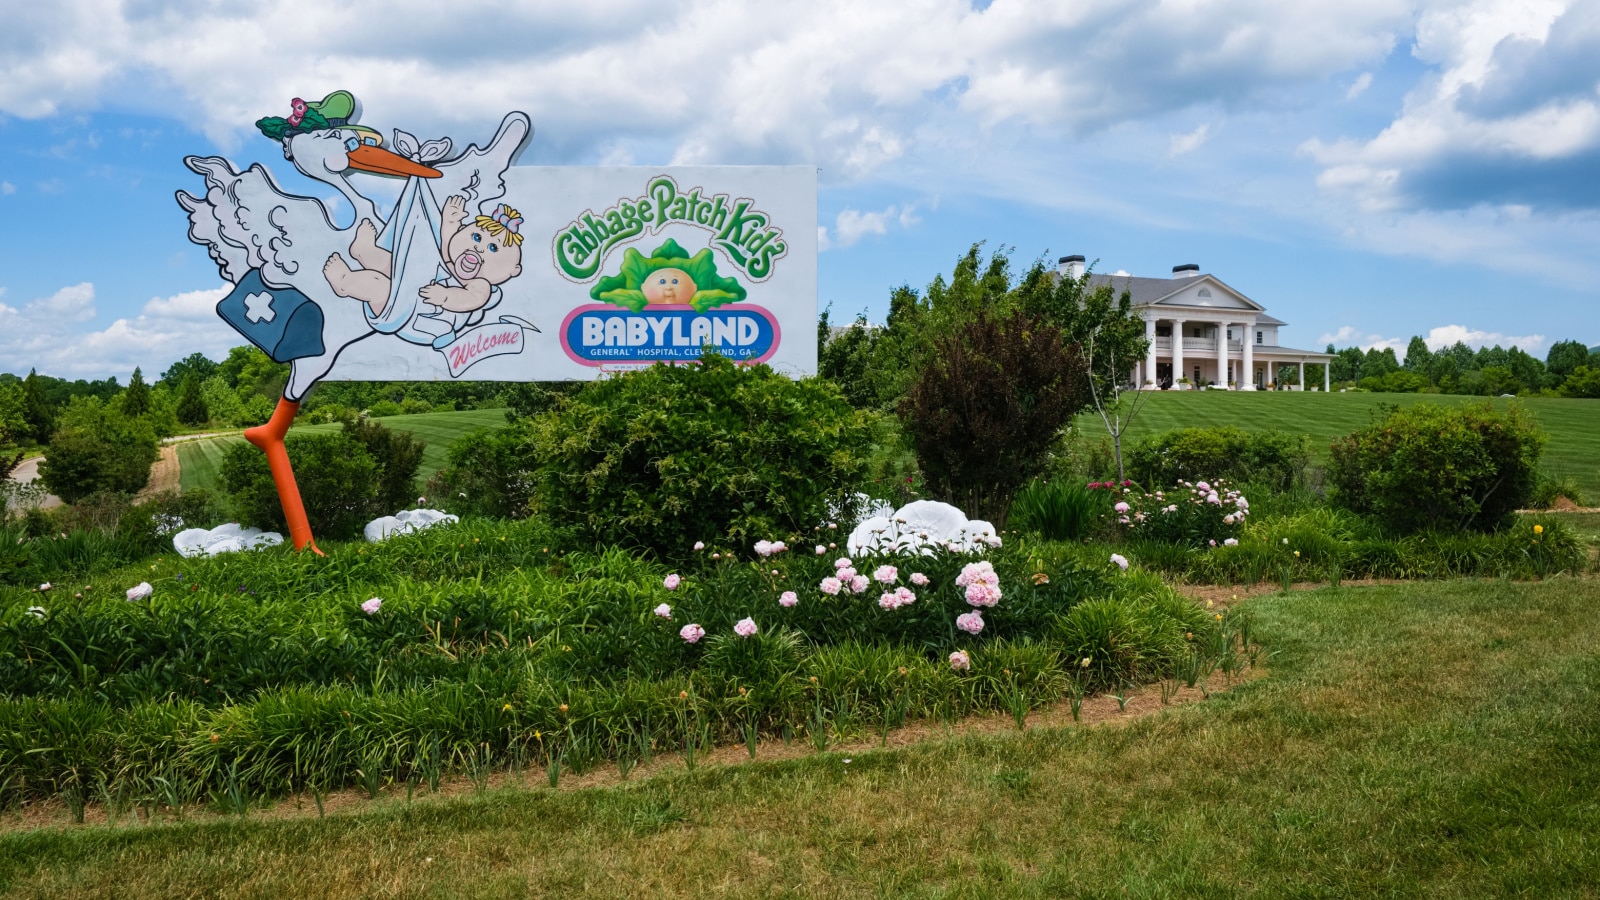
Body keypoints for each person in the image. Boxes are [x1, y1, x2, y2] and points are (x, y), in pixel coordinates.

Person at [324, 197, 524, 348]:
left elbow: (472, 299)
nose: (479, 248)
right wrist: (449, 223)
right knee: (395, 263)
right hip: (411, 293)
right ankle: (365, 252)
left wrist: (446, 296)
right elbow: (447, 246)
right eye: (477, 238)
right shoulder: (451, 264)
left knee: (381, 286)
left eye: (493, 248)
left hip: (414, 320)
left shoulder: (481, 284)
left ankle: (345, 282)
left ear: (513, 270)